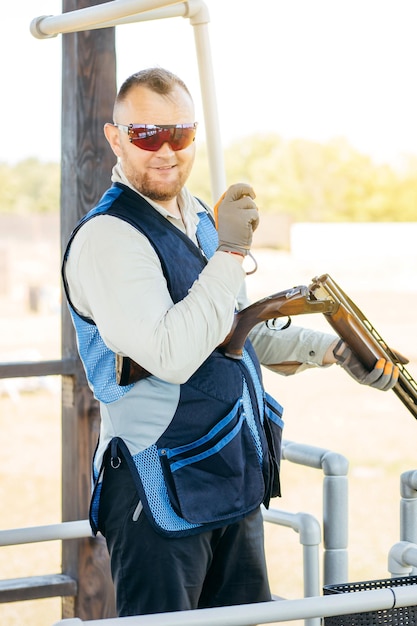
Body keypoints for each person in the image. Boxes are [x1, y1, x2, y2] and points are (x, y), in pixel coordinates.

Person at [62, 67, 399, 618]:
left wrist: (334, 351)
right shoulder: (109, 237)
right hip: (156, 487)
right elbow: (171, 353)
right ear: (115, 137)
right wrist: (231, 253)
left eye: (181, 134)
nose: (166, 151)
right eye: (147, 135)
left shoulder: (200, 217)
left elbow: (234, 329)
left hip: (225, 476)